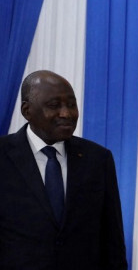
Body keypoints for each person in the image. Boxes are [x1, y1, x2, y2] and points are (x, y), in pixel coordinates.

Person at [0, 70, 127, 269]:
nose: (66, 113)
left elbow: (112, 239)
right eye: (54, 105)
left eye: (71, 104)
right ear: (27, 111)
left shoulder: (98, 159)